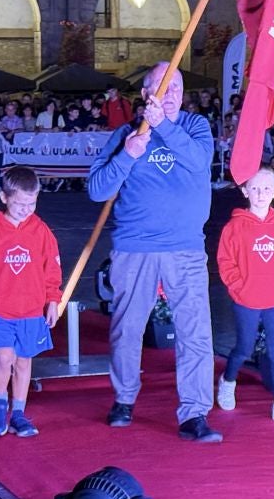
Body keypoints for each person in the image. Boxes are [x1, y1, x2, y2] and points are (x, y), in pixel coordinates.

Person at [88, 62, 221, 443]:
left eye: (177, 85)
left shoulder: (195, 128)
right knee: (127, 329)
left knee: (195, 332)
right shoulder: (124, 136)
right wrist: (128, 154)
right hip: (135, 249)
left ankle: (194, 413)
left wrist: (162, 125)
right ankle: (124, 399)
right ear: (147, 94)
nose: (173, 92)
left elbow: (198, 162)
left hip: (185, 249)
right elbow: (98, 190)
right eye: (164, 86)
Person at [0, 167, 63, 438]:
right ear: (4, 198)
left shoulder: (40, 230)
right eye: (20, 203)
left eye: (32, 203)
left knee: (23, 361)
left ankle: (18, 412)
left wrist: (53, 299)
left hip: (30, 309)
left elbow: (51, 267)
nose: (26, 209)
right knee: (4, 356)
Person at [216, 167, 274, 422]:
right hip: (246, 300)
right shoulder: (235, 227)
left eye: (267, 188)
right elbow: (225, 262)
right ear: (245, 191)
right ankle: (228, 380)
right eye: (255, 188)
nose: (261, 193)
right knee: (244, 347)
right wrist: (238, 287)